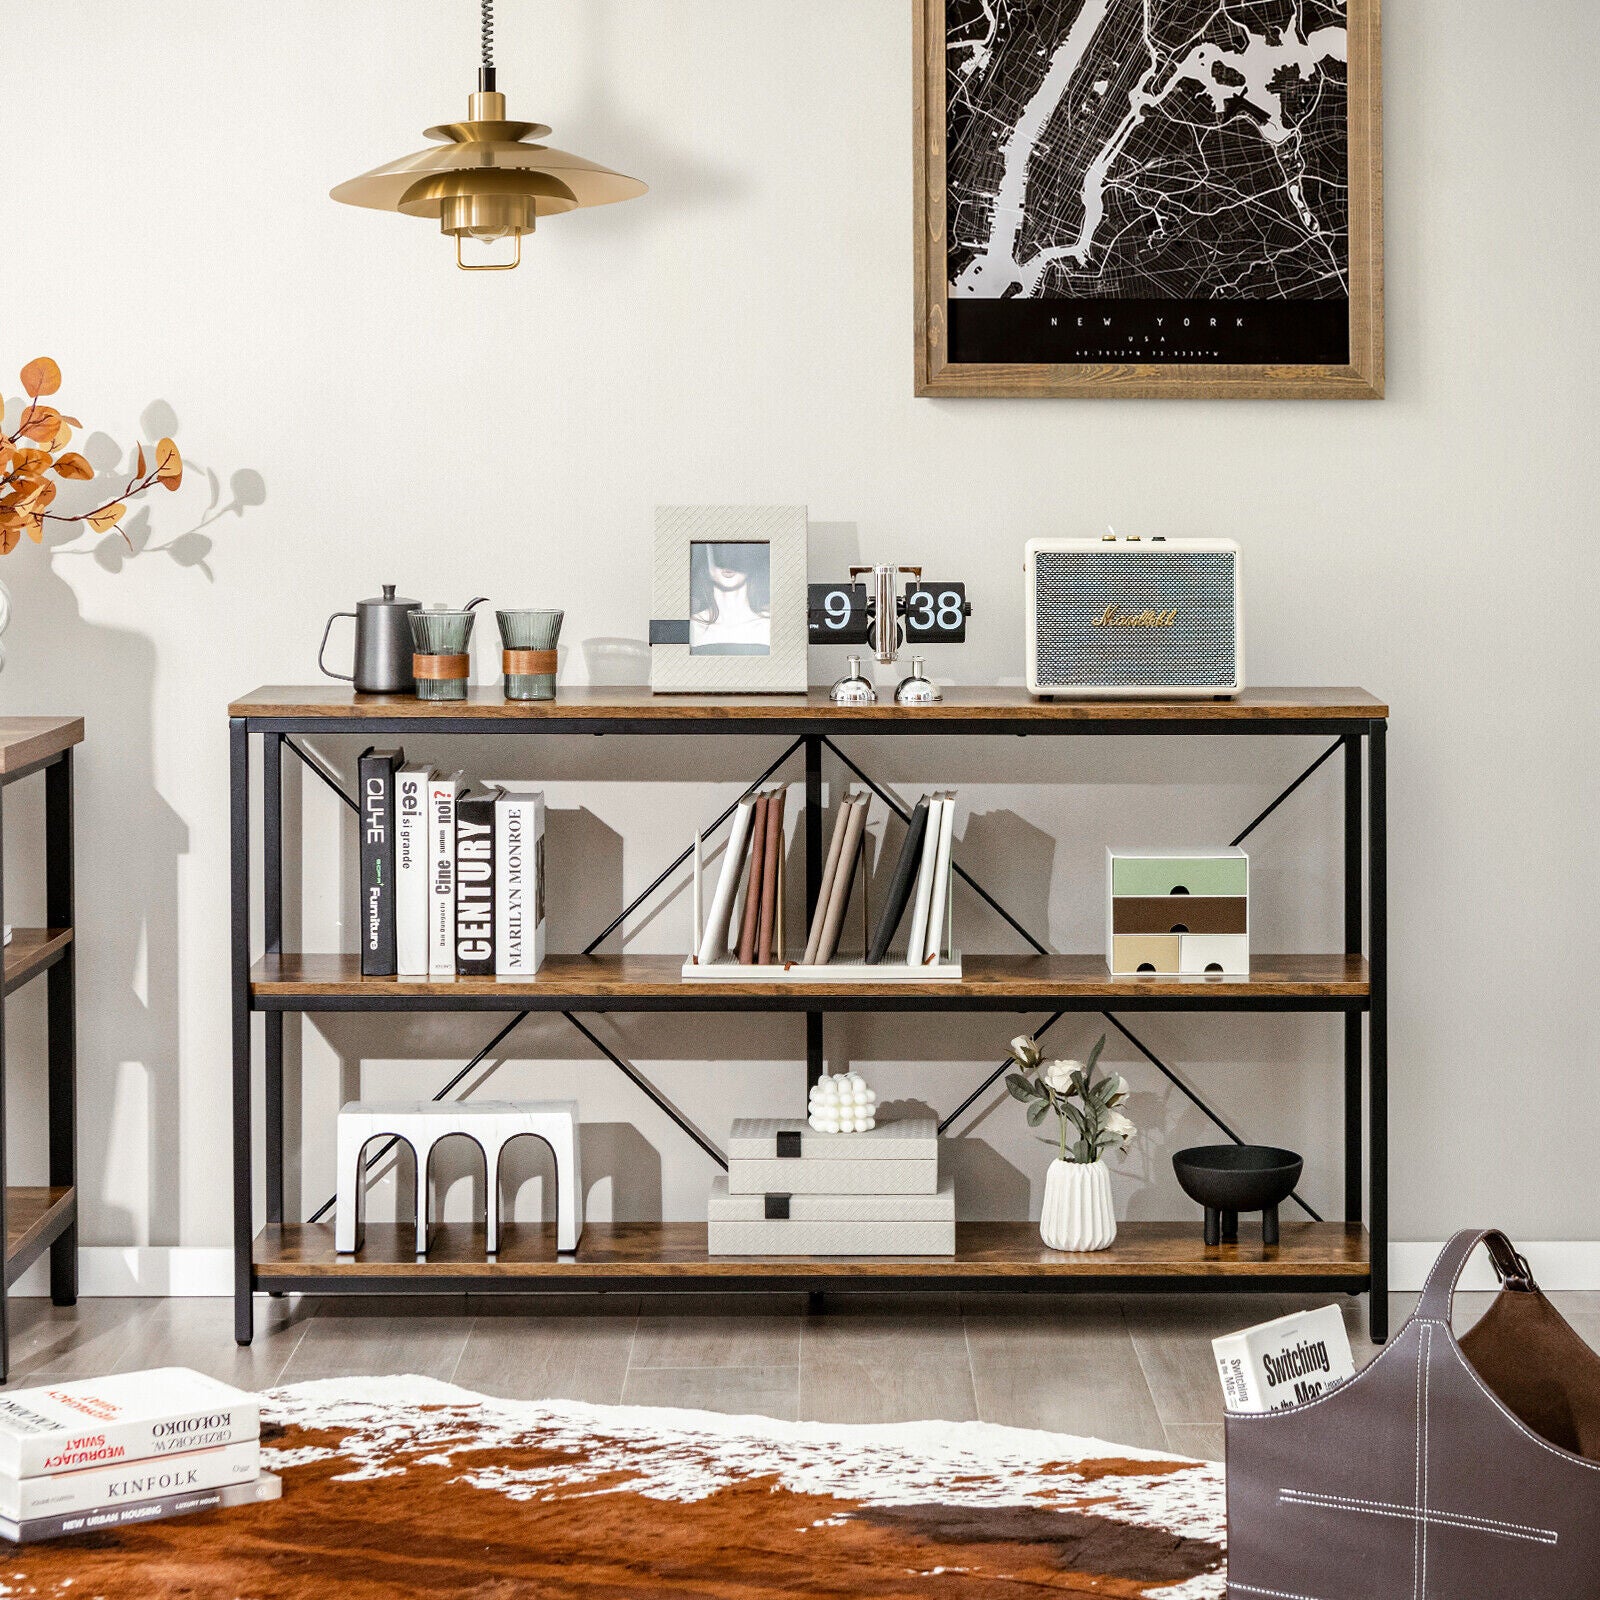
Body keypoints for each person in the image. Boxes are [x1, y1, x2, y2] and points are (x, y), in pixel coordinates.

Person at [690, 543, 771, 655]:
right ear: (707, 554)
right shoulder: (692, 628)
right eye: (719, 549)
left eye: (737, 550)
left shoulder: (769, 627)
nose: (728, 560)